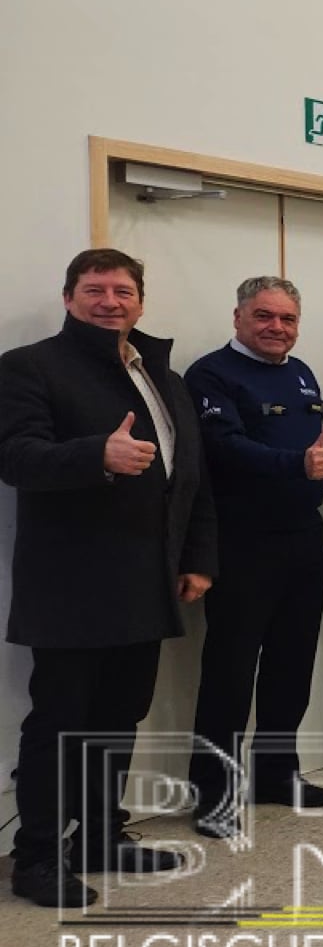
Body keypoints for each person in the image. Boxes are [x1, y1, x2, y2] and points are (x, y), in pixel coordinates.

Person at [0, 249, 216, 906]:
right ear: (69, 298)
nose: (110, 300)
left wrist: (198, 555)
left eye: (123, 290)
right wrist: (98, 453)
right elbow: (16, 457)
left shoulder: (158, 373)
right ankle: (36, 855)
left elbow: (192, 476)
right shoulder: (28, 367)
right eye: (94, 289)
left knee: (121, 717)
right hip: (71, 586)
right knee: (59, 723)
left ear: (140, 302)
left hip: (147, 581)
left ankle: (98, 836)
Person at [183, 277, 323, 835]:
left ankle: (276, 775)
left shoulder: (299, 372)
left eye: (288, 319)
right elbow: (223, 448)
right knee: (229, 673)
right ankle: (214, 795)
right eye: (264, 317)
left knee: (290, 667)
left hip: (303, 538)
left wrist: (303, 472)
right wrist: (293, 466)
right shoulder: (210, 374)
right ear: (238, 318)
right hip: (242, 541)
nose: (277, 328)